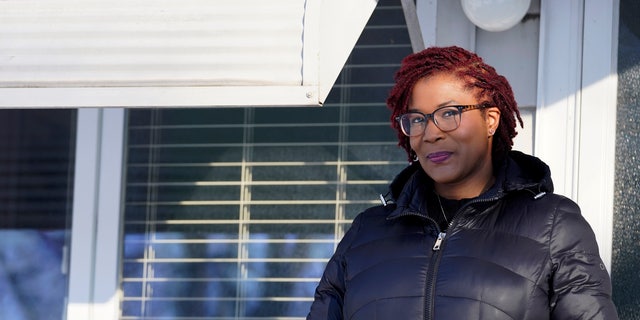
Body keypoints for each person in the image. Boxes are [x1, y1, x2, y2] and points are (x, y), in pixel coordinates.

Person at [306, 46, 618, 319]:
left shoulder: (553, 226)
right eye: (417, 119)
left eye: (449, 113)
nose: (431, 133)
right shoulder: (367, 232)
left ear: (491, 120)